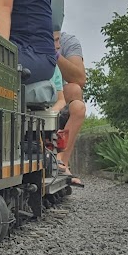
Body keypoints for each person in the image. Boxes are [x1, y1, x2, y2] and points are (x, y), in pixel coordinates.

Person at [54, 29, 86, 187]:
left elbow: (80, 79)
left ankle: (61, 162)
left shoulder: (68, 41)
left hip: (58, 99)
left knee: (76, 93)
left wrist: (54, 55)